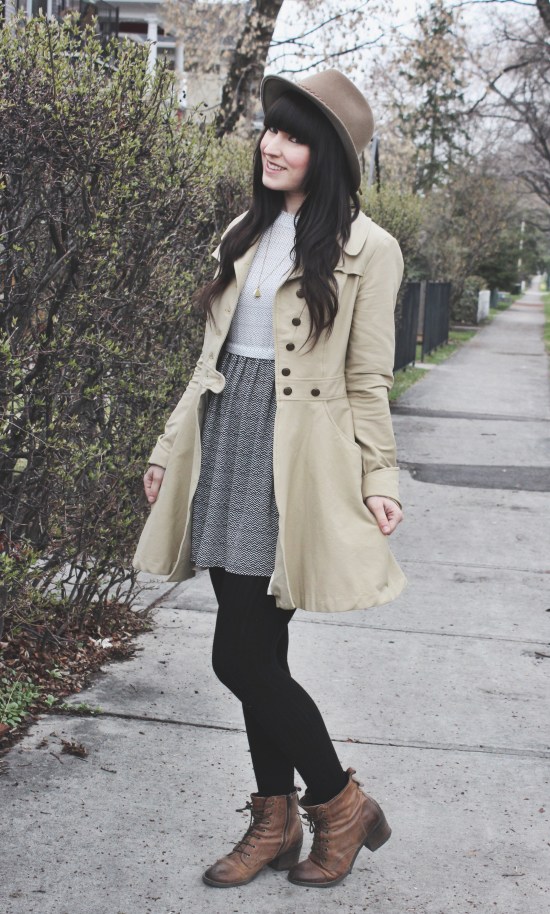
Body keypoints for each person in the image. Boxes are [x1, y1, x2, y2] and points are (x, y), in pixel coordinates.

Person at [133, 69, 407, 889]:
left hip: (295, 460)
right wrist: (167, 447)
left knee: (241, 658)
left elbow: (368, 378)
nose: (272, 145)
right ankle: (277, 820)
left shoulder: (370, 249)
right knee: (260, 649)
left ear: (329, 155)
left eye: (293, 136)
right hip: (225, 440)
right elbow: (207, 363)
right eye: (270, 129)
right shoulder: (243, 232)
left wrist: (380, 474)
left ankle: (338, 803)